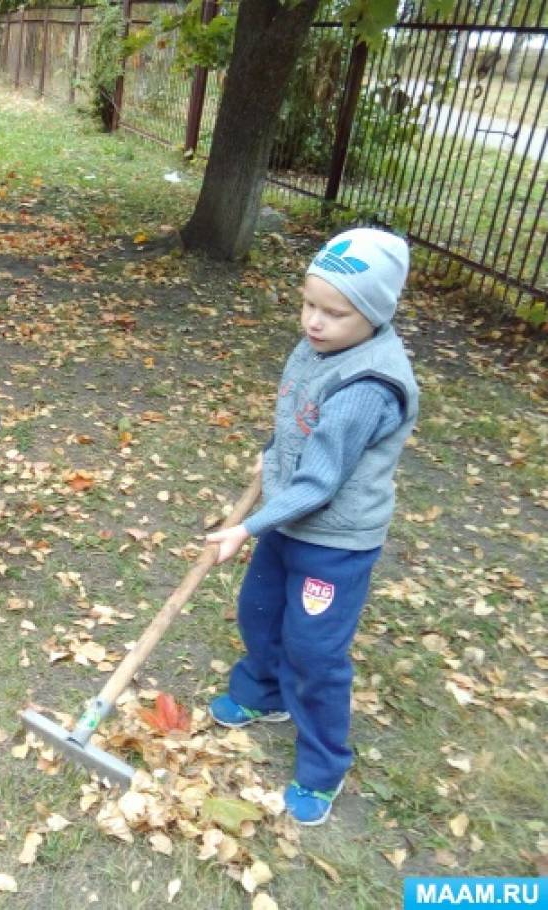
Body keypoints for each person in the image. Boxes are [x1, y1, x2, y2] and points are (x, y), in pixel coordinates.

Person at [205, 228, 420, 826]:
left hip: (334, 539)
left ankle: (325, 762)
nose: (314, 322)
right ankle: (264, 694)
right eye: (308, 304)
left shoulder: (368, 386)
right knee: (260, 609)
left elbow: (320, 482)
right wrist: (274, 453)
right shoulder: (321, 348)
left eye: (334, 312)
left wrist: (245, 528)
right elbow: (301, 413)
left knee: (315, 648)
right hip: (289, 519)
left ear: (373, 314)